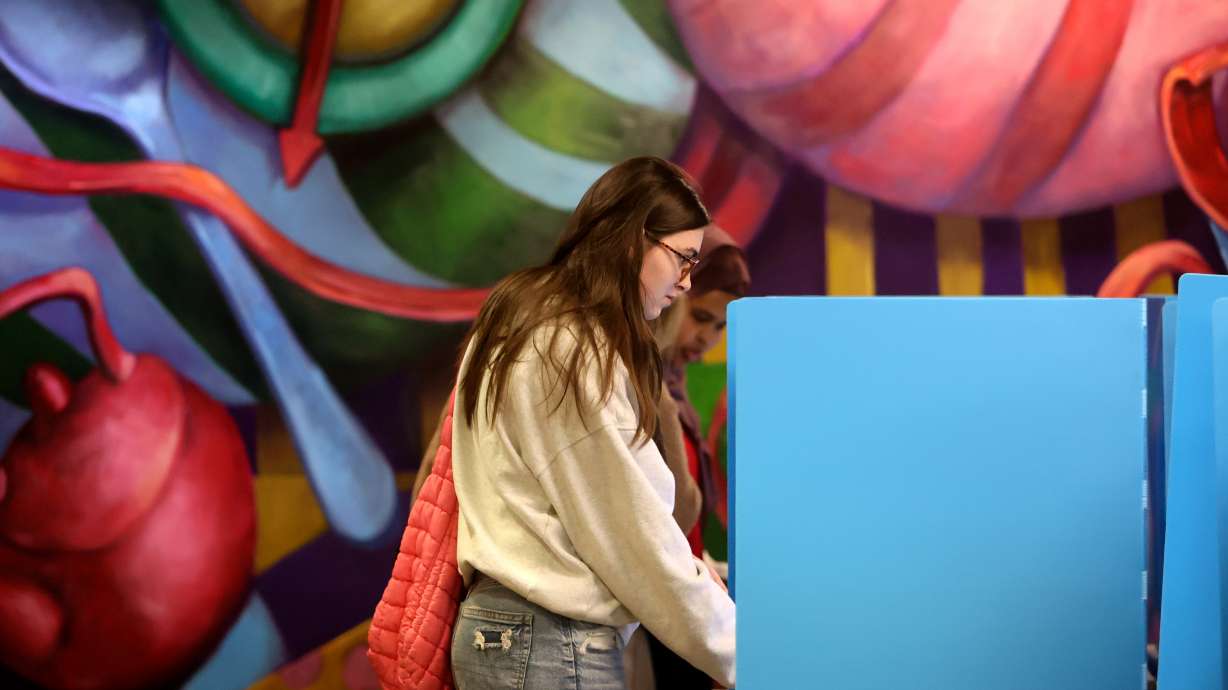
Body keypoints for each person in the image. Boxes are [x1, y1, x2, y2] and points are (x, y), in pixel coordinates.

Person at [445, 157, 735, 689]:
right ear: (632, 241)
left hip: (518, 637)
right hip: (547, 643)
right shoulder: (569, 346)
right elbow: (633, 532)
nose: (686, 283)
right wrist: (742, 654)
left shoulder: (524, 314)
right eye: (683, 260)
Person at [647, 227, 751, 689]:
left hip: (685, 608)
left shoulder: (677, 391)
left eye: (721, 326)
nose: (708, 337)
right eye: (702, 316)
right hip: (654, 610)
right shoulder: (640, 383)